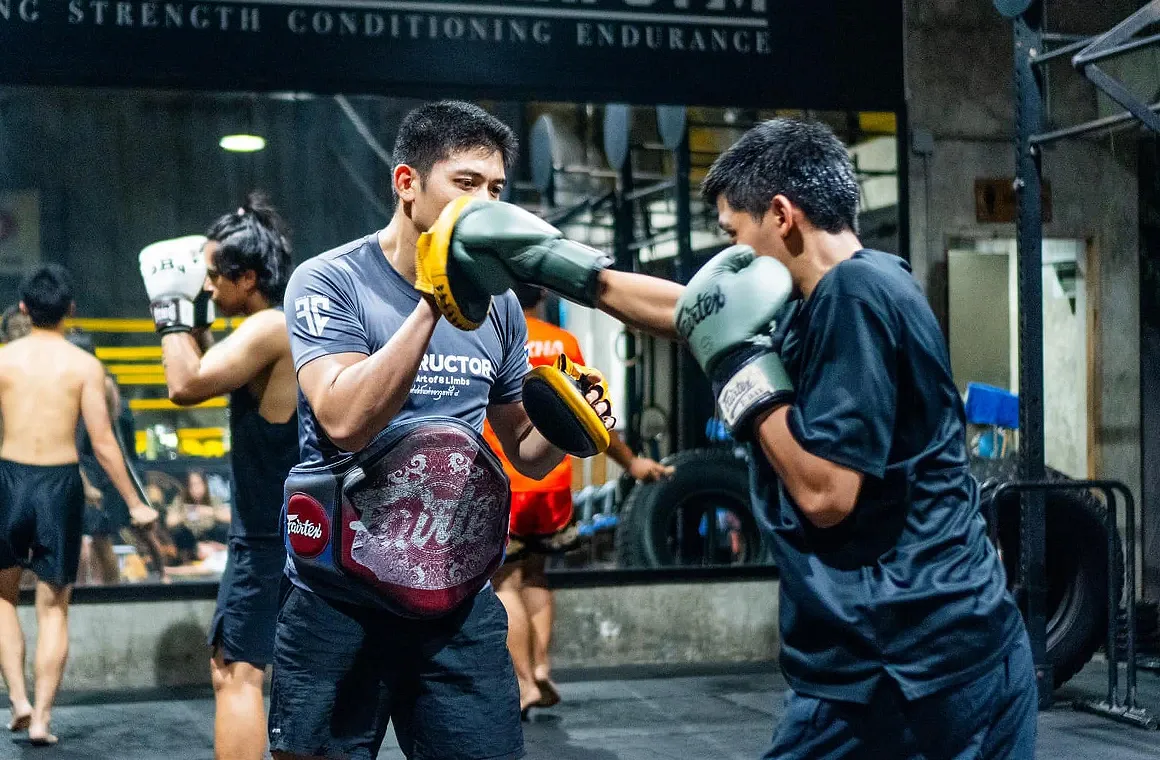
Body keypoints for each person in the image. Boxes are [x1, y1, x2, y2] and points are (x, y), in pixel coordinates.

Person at [434, 117, 1037, 759]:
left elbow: (826, 493)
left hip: (900, 668)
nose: (732, 260)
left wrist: (738, 373)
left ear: (781, 215)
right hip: (957, 646)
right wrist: (564, 269)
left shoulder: (852, 300)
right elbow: (693, 311)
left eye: (734, 236)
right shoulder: (863, 280)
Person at [271, 100, 615, 760]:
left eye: (494, 190)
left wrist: (572, 424)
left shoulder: (502, 307)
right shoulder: (329, 281)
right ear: (406, 183)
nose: (484, 205)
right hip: (338, 603)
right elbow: (343, 419)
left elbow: (524, 452)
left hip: (457, 602)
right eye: (465, 184)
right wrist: (435, 301)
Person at [141, 193, 299, 760]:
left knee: (237, 673)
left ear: (248, 276)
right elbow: (211, 369)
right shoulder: (284, 324)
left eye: (214, 276)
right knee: (290, 677)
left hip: (264, 538)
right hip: (295, 530)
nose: (207, 286)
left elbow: (184, 385)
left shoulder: (267, 331)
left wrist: (168, 307)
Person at [483, 283, 672, 714]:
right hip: (551, 483)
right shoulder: (563, 342)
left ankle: (524, 680)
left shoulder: (494, 337)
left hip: (506, 479)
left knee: (505, 582)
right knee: (537, 575)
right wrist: (632, 463)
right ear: (543, 298)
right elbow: (589, 416)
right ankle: (545, 665)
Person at [0, 264, 158, 746]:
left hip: (8, 480)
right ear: (70, 310)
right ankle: (43, 719)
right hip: (59, 486)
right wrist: (136, 503)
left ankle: (19, 701)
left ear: (23, 308)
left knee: (4, 598)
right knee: (54, 609)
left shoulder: (2, 359)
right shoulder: (84, 366)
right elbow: (106, 446)